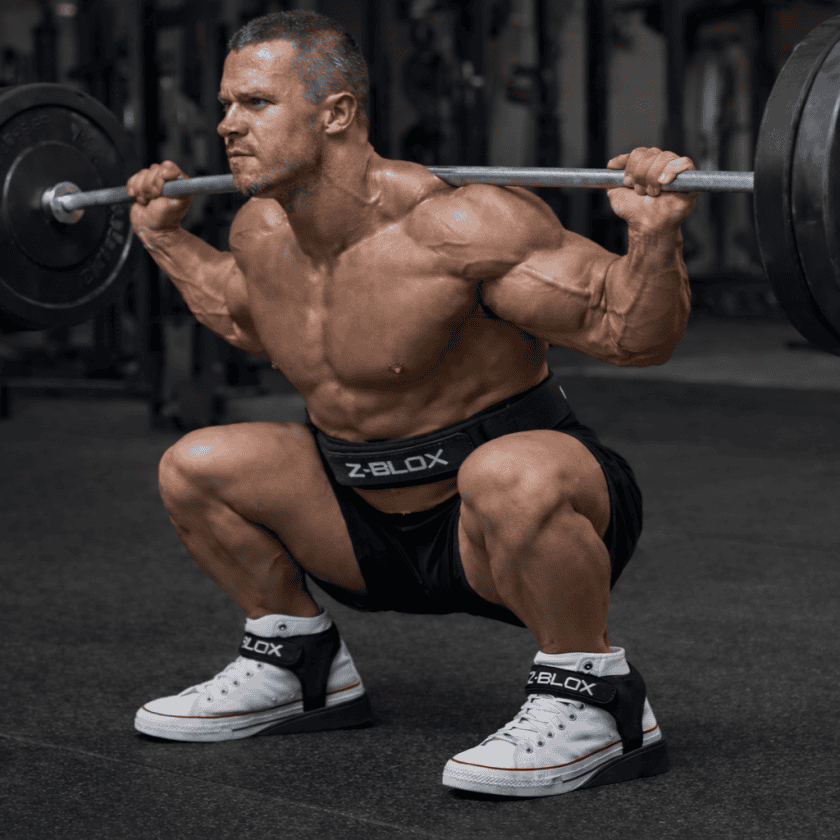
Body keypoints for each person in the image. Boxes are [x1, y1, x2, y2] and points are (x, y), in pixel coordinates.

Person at [127, 10, 696, 798]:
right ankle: (298, 664)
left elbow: (629, 334)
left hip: (494, 528)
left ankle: (596, 696)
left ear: (336, 113)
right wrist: (166, 240)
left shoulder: (460, 227)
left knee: (511, 473)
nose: (227, 124)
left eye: (255, 103)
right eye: (227, 104)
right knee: (196, 465)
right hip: (361, 527)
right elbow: (244, 314)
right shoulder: (261, 231)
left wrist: (654, 239)